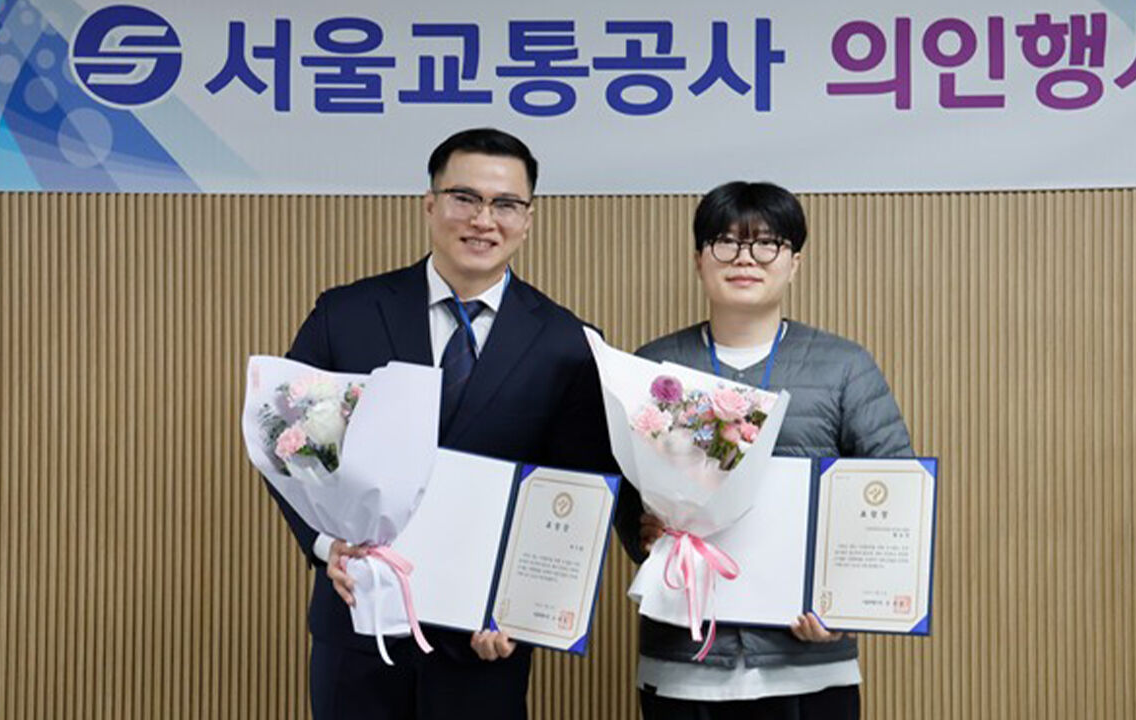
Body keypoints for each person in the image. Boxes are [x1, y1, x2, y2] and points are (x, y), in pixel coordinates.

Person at [265, 127, 614, 720]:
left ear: (528, 219)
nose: (484, 220)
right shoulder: (346, 313)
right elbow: (284, 440)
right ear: (430, 204)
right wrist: (326, 547)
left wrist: (522, 608)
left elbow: (577, 488)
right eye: (465, 198)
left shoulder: (569, 344)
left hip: (482, 643)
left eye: (505, 204)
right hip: (358, 623)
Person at [614, 181, 914, 720]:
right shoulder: (656, 366)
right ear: (699, 259)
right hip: (683, 658)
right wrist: (646, 537)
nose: (745, 258)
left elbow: (893, 493)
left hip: (808, 660)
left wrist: (845, 605)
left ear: (794, 262)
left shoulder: (844, 366)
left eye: (767, 243)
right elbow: (624, 494)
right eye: (726, 242)